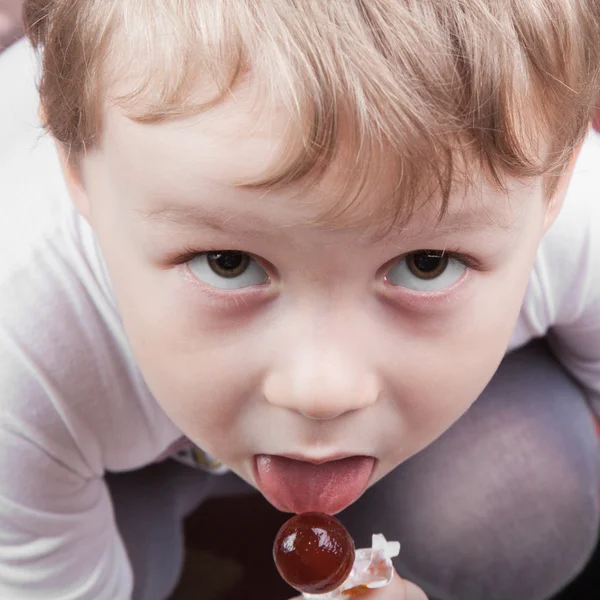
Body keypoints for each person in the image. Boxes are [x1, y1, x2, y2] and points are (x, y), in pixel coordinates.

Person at [1, 1, 600, 599]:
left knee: (527, 499)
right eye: (227, 262)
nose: (322, 392)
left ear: (556, 185)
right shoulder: (19, 342)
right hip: (96, 467)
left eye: (428, 263)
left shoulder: (552, 204)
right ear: (75, 166)